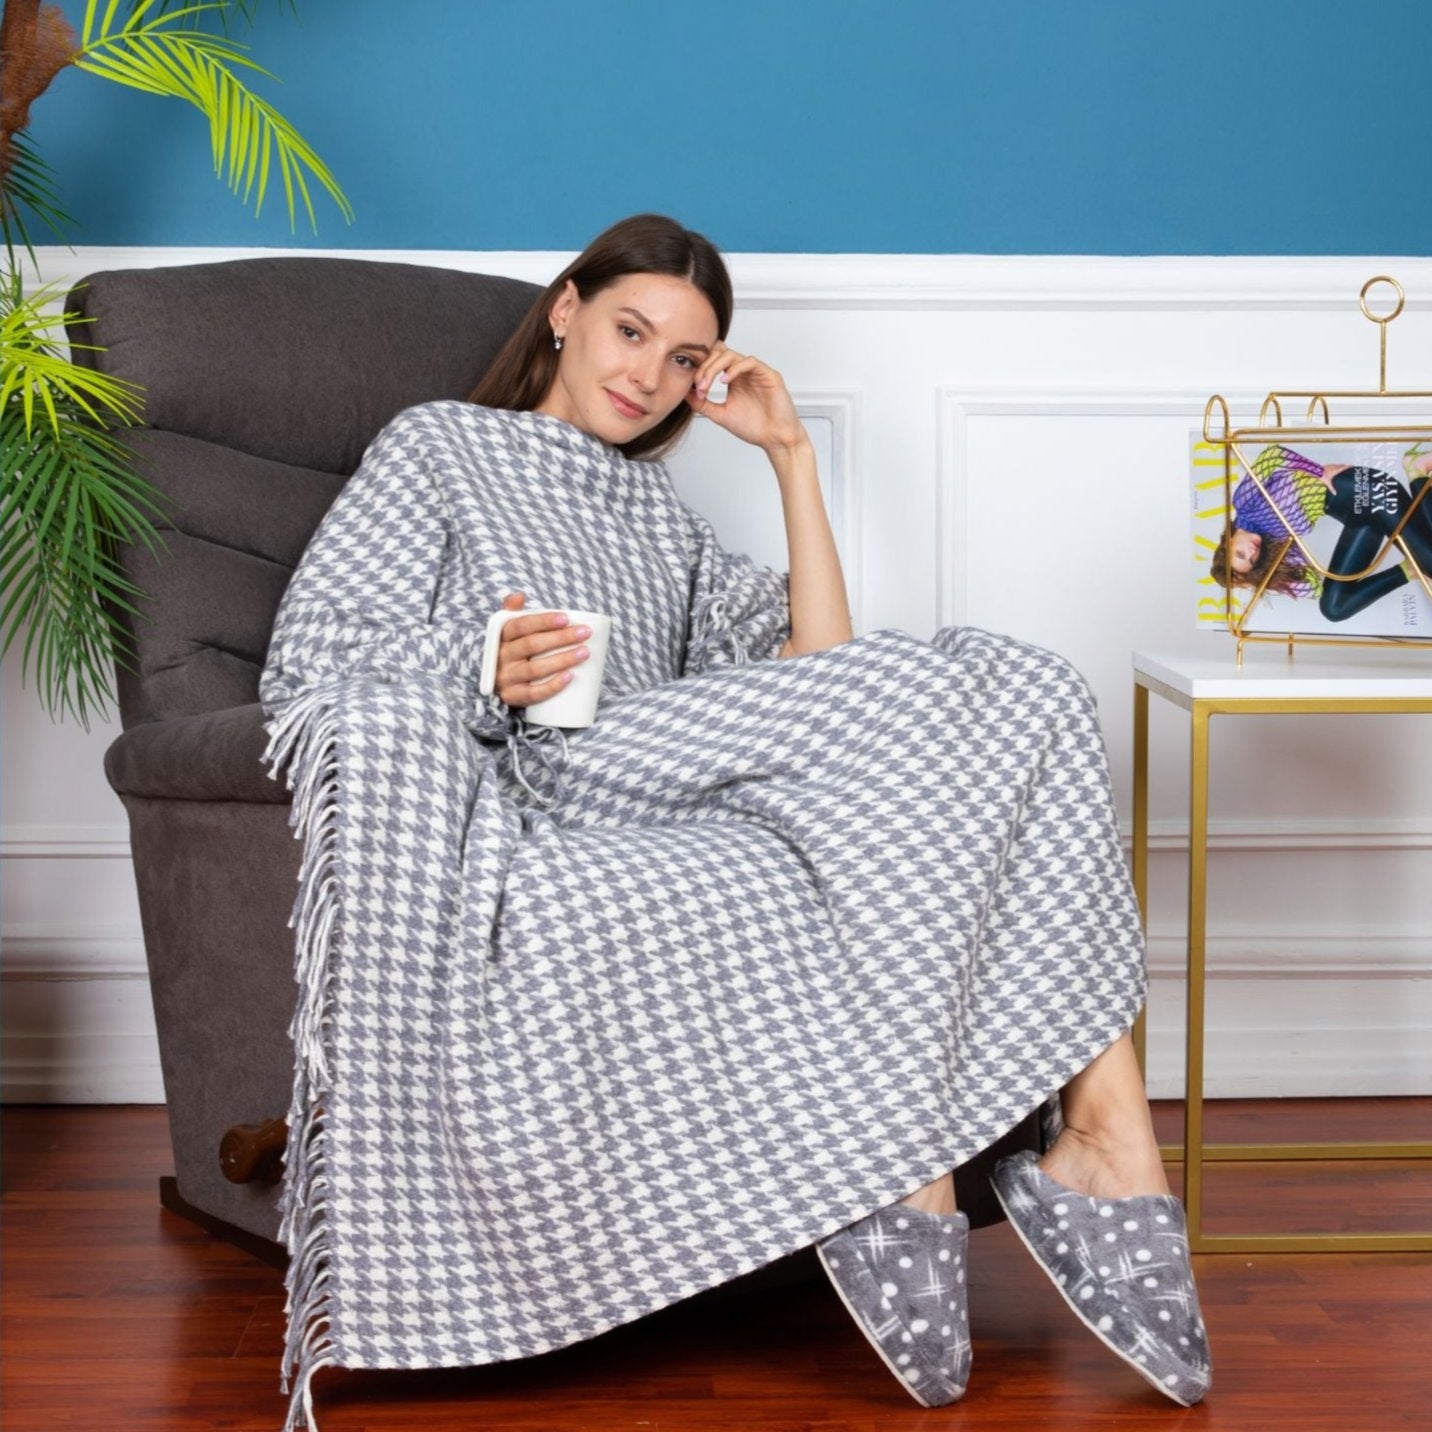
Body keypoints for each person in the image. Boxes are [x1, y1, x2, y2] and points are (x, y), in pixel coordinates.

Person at [259, 213, 1210, 1431]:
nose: (643, 375)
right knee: (1011, 683)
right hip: (538, 771)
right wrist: (482, 658)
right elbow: (310, 663)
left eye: (680, 358)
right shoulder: (440, 448)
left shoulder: (663, 520)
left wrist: (791, 458)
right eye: (627, 330)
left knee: (1003, 702)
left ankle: (995, 1150)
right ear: (565, 310)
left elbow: (820, 673)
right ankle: (1086, 1143)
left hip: (673, 769)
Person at [1210, 442, 1432, 622]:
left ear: (1228, 543)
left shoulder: (1244, 503)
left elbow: (1272, 455)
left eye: (1240, 554)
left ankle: (1416, 470)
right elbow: (1314, 588)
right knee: (1332, 608)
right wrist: (1261, 580)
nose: (1251, 551)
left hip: (1366, 492)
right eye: (1252, 560)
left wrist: (1319, 471)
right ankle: (1410, 569)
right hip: (1360, 520)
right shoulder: (1275, 544)